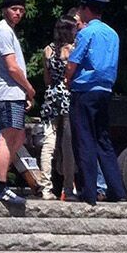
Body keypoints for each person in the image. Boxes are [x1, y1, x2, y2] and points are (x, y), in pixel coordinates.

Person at [66, 0, 126, 205]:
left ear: (84, 9)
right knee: (104, 140)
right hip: (105, 90)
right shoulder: (113, 34)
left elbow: (73, 62)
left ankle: (89, 192)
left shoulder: (86, 33)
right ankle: (117, 190)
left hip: (85, 90)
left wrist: (67, 79)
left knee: (84, 140)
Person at [0, 0, 35, 205]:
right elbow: (12, 67)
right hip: (7, 92)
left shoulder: (10, 32)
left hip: (14, 93)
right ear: (6, 9)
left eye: (22, 11)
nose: (18, 13)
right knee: (8, 136)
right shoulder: (3, 31)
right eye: (15, 9)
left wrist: (23, 92)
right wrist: (29, 88)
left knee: (19, 136)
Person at [39, 14, 76, 201]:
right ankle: (68, 188)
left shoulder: (48, 49)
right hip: (67, 96)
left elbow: (46, 78)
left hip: (51, 95)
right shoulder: (72, 49)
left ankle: (46, 188)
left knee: (48, 143)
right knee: (68, 145)